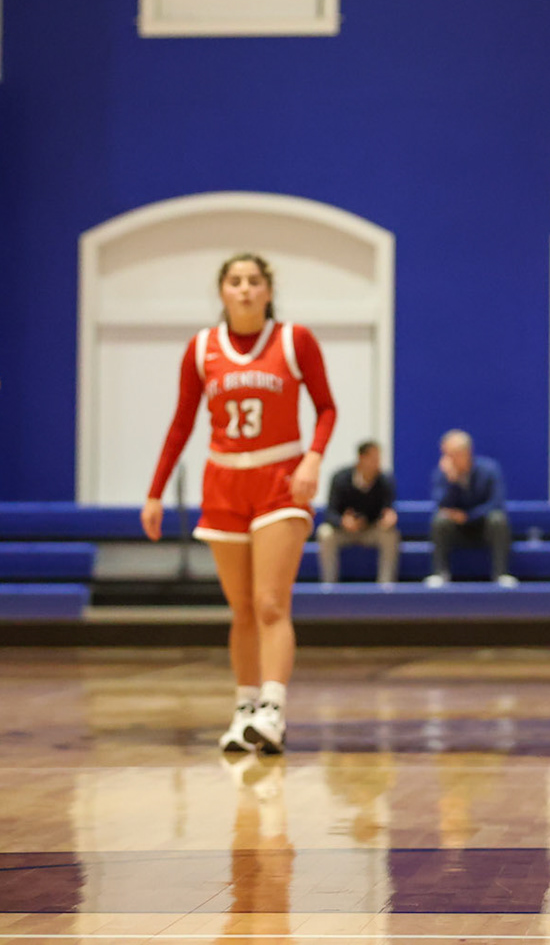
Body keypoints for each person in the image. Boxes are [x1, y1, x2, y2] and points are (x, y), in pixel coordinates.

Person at [141, 253, 335, 756]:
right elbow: (182, 422)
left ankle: (274, 707)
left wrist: (313, 459)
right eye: (235, 281)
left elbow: (326, 407)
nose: (245, 289)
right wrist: (156, 491)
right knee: (242, 609)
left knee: (271, 603)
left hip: (279, 479)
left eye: (254, 281)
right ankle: (246, 708)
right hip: (223, 481)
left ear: (268, 290)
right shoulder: (202, 348)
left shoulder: (295, 340)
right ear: (222, 291)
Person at [425, 430, 515, 588]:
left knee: (498, 519)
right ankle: (440, 573)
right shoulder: (442, 474)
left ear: (466, 453)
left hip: (483, 525)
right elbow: (441, 504)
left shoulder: (489, 469)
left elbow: (496, 502)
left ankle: (501, 574)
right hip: (456, 529)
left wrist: (469, 516)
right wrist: (452, 482)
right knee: (439, 521)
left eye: (451, 454)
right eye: (445, 454)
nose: (447, 458)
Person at [315, 441, 400, 586]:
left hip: (371, 530)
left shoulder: (385, 481)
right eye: (373, 459)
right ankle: (329, 585)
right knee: (325, 533)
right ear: (361, 458)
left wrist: (389, 517)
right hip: (344, 531)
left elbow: (387, 509)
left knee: (391, 536)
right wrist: (342, 521)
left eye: (378, 459)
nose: (377, 463)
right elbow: (330, 513)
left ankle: (386, 585)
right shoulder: (340, 478)